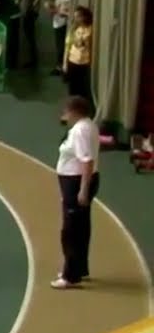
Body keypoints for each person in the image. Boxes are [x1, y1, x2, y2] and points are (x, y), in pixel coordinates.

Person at [53, 95, 100, 289]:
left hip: (76, 181)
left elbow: (86, 161)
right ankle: (79, 268)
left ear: (74, 111)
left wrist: (82, 190)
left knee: (71, 230)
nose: (64, 115)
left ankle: (70, 276)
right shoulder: (89, 125)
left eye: (66, 111)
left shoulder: (80, 131)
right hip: (77, 181)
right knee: (82, 227)